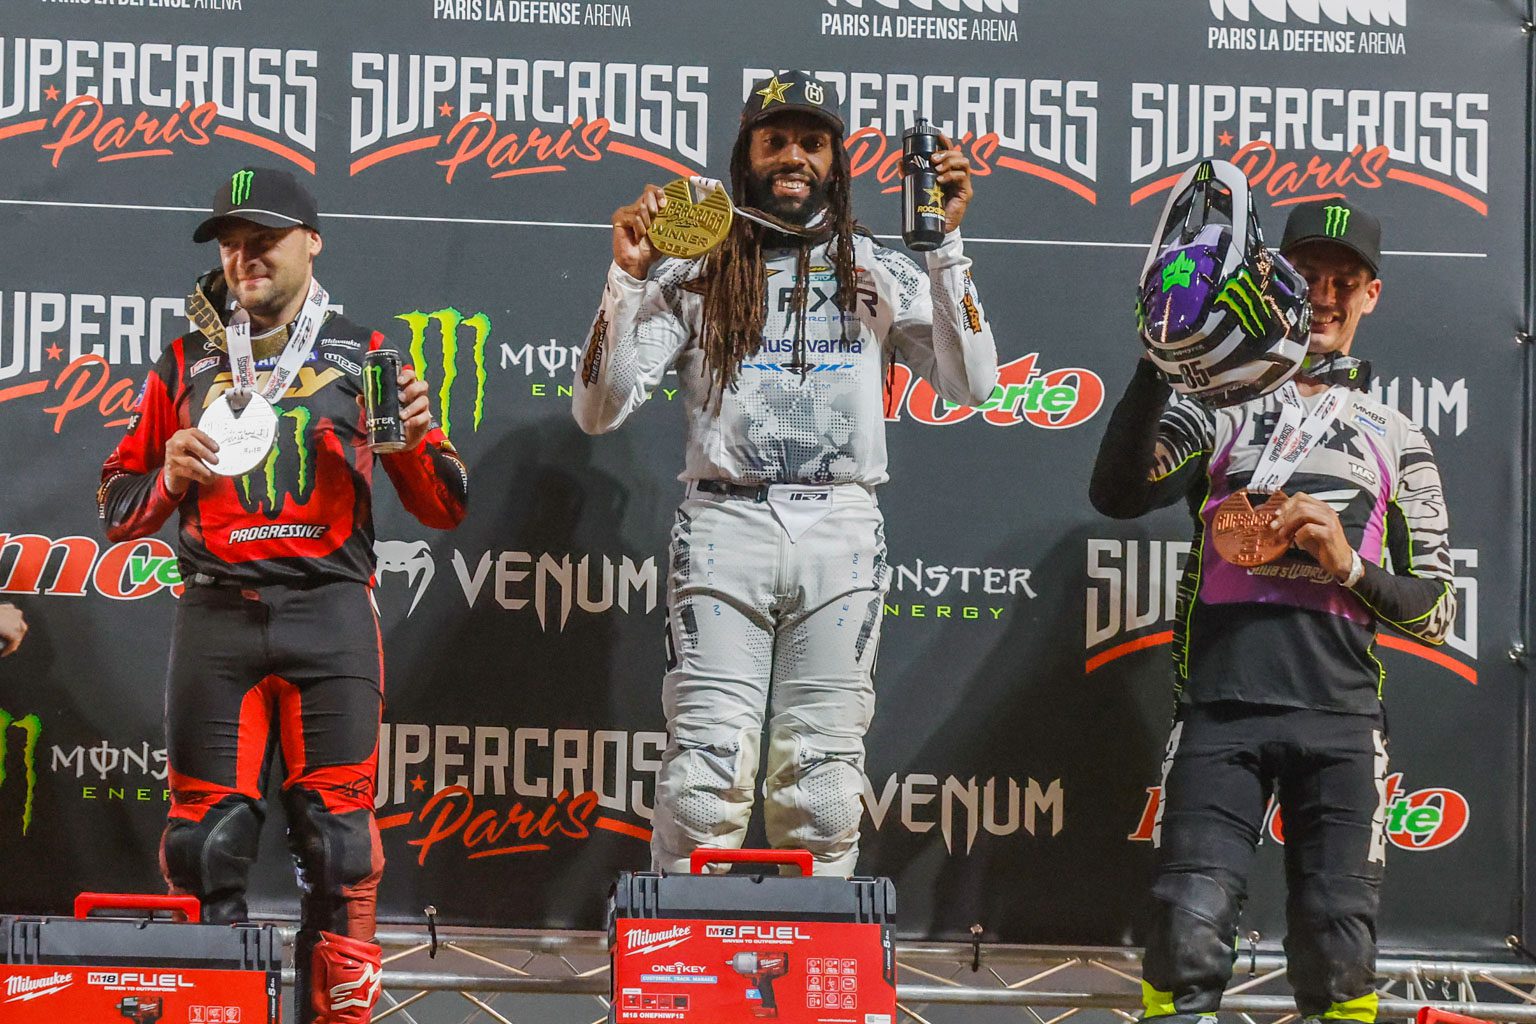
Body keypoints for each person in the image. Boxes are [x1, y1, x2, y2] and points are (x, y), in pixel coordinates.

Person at [573, 71, 998, 876]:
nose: (793, 157)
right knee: (702, 790)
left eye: (812, 142)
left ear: (837, 161)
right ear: (747, 157)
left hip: (841, 529)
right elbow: (599, 409)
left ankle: (819, 957)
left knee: (825, 793)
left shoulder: (878, 268)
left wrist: (945, 248)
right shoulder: (695, 271)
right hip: (724, 525)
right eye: (775, 141)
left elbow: (973, 384)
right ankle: (688, 954)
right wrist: (626, 278)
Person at [97, 167, 468, 1024]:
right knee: (203, 846)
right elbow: (115, 506)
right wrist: (167, 478)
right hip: (216, 618)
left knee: (341, 852)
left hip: (329, 615)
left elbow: (446, 506)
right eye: (231, 243)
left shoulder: (369, 355)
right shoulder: (185, 361)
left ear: (312, 242)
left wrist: (413, 443)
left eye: (263, 238)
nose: (245, 256)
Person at [1091, 197, 1457, 1024]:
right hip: (1220, 711)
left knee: (1338, 953)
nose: (1323, 296)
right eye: (1307, 275)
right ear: (1272, 281)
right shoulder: (1215, 406)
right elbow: (1117, 494)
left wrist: (1347, 565)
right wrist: (1159, 358)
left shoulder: (1397, 436)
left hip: (1343, 723)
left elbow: (1434, 608)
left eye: (1343, 282)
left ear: (1371, 295)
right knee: (1186, 937)